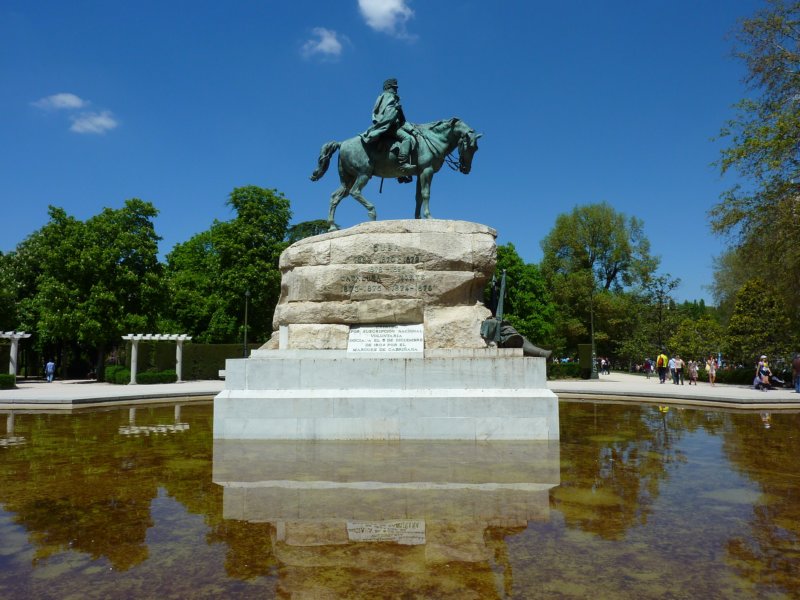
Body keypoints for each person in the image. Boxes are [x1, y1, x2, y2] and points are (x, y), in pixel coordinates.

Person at [361, 78, 416, 166]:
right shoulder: (388, 96)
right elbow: (388, 113)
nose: (396, 90)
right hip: (390, 127)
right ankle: (403, 163)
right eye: (394, 88)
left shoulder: (388, 98)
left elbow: (402, 121)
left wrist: (412, 129)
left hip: (392, 126)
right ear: (388, 88)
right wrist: (395, 109)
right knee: (407, 138)